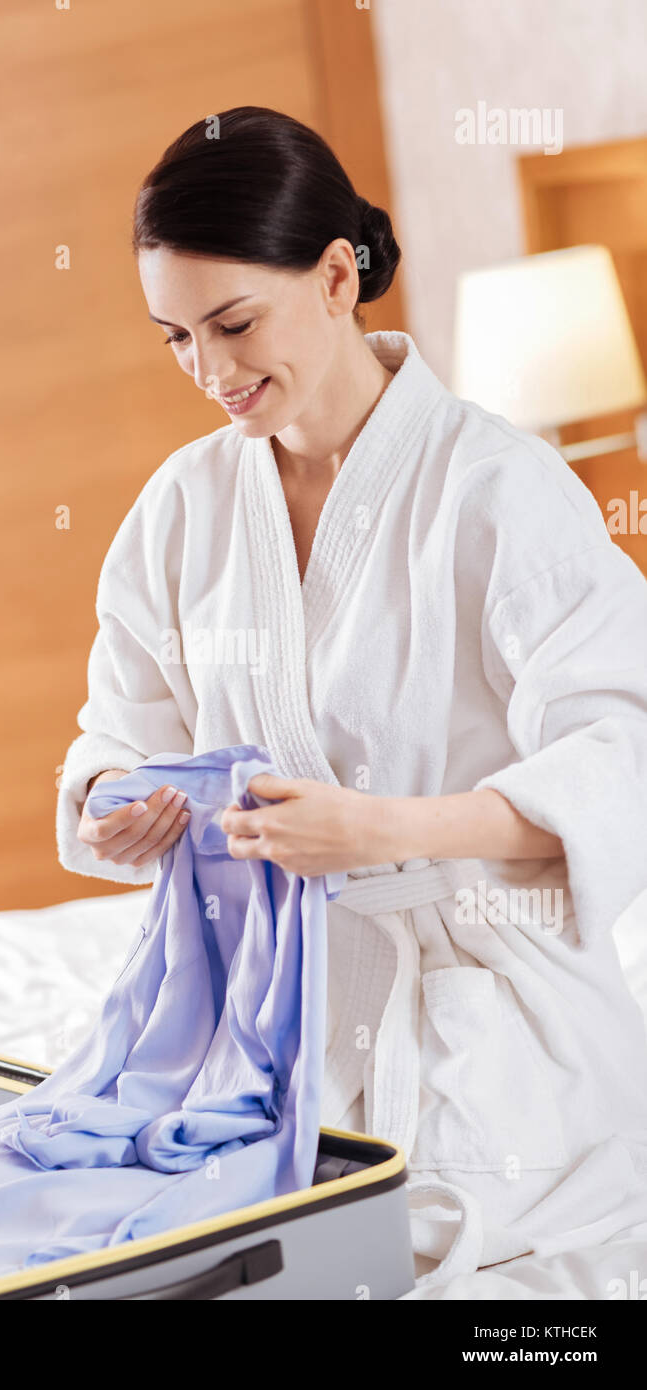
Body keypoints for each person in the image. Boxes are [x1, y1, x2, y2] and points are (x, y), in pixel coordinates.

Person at [56, 105, 647, 1287]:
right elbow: (116, 733)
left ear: (337, 276)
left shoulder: (498, 488)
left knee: (401, 1258)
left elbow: (619, 754)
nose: (210, 374)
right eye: (175, 337)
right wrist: (123, 799)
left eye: (233, 324)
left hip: (486, 997)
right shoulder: (180, 509)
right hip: (270, 996)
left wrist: (379, 830)